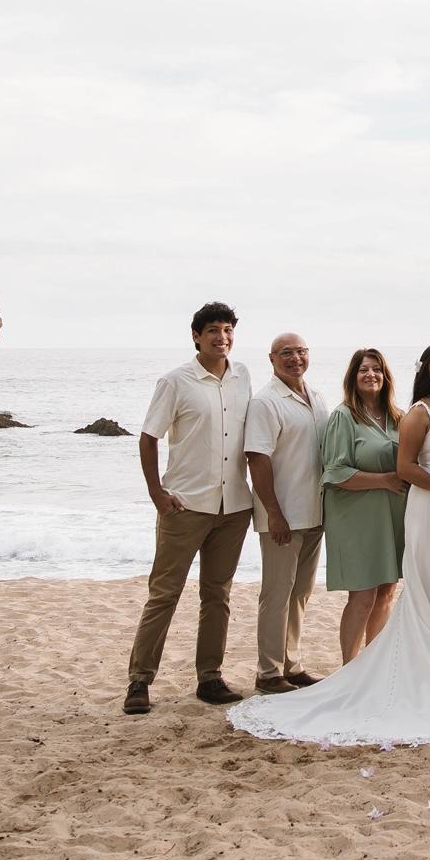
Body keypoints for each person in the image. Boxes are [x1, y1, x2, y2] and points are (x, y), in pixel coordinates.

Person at [227, 342, 430, 745]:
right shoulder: (413, 414)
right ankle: (363, 671)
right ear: (425, 370)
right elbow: (402, 467)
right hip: (418, 508)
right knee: (404, 590)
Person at [124, 302, 252, 715]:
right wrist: (156, 491)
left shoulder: (243, 377)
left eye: (228, 329)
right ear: (196, 335)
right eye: (213, 329)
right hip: (185, 506)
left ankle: (210, 678)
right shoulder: (176, 381)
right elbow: (148, 438)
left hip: (233, 506)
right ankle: (140, 681)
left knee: (218, 595)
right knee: (164, 594)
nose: (222, 337)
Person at [245, 333, 329, 695]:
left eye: (300, 351)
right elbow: (257, 458)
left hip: (315, 513)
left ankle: (291, 664)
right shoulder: (265, 402)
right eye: (286, 353)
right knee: (277, 594)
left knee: (300, 594)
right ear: (272, 358)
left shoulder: (318, 397)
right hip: (282, 517)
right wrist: (273, 513)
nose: (295, 358)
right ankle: (268, 672)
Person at [321, 348, 408, 663]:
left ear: (386, 377)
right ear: (353, 378)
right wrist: (384, 480)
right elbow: (335, 472)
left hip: (393, 515)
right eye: (364, 370)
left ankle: (374, 666)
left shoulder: (399, 417)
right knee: (362, 594)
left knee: (387, 591)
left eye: (377, 370)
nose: (371, 375)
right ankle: (350, 668)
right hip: (356, 516)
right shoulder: (343, 416)